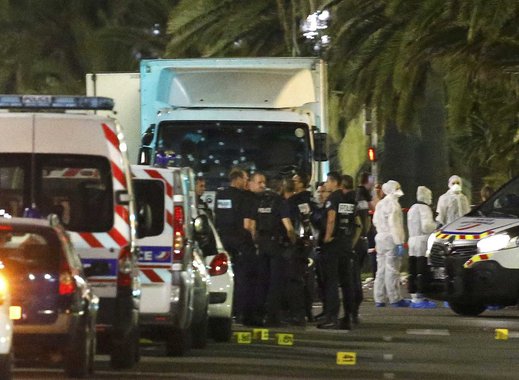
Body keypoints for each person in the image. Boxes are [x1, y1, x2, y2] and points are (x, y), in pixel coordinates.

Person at [214, 167, 260, 326]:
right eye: (246, 178)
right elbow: (248, 225)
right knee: (245, 278)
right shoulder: (245, 197)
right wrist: (254, 242)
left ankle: (229, 312)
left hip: (224, 241)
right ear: (238, 178)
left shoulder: (220, 194)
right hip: (242, 242)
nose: (247, 182)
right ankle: (243, 313)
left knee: (226, 277)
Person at [317, 172, 362, 330]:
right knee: (346, 282)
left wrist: (327, 237)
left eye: (328, 182)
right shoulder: (350, 199)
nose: (326, 185)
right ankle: (348, 316)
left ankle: (332, 317)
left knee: (331, 282)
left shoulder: (334, 198)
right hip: (346, 244)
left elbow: (331, 218)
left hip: (334, 245)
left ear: (334, 182)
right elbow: (357, 223)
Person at [255, 175, 296, 327]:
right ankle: (272, 316)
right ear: (281, 188)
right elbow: (289, 227)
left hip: (262, 243)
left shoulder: (260, 201)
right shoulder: (280, 202)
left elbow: (253, 226)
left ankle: (259, 314)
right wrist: (293, 241)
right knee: (275, 282)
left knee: (262, 281)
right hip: (275, 244)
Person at [372, 180, 409, 307]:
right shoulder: (394, 205)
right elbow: (395, 225)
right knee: (392, 269)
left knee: (380, 270)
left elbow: (375, 221)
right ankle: (395, 298)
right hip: (391, 238)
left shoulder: (380, 204)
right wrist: (399, 242)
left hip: (380, 237)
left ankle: (379, 298)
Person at [287, 171, 317, 324]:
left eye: (295, 180)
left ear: (301, 183)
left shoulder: (293, 200)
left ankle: (297, 313)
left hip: (298, 244)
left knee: (296, 278)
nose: (293, 182)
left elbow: (292, 223)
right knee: (309, 277)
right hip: (311, 243)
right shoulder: (312, 199)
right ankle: (308, 310)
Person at [407, 186, 437, 308]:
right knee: (421, 268)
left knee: (412, 269)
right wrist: (436, 225)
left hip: (412, 240)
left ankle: (413, 295)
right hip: (422, 241)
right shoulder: (424, 209)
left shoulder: (412, 208)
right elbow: (426, 226)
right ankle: (421, 295)